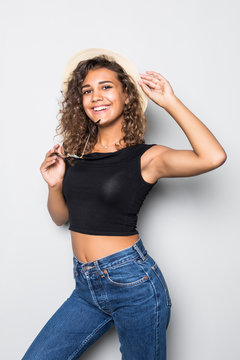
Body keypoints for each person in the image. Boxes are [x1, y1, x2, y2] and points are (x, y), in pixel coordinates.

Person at [22, 48, 227, 360]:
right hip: (86, 286)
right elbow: (61, 218)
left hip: (133, 285)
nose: (95, 97)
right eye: (87, 90)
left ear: (127, 96)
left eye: (106, 87)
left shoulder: (146, 158)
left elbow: (213, 157)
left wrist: (170, 101)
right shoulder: (77, 155)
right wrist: (54, 185)